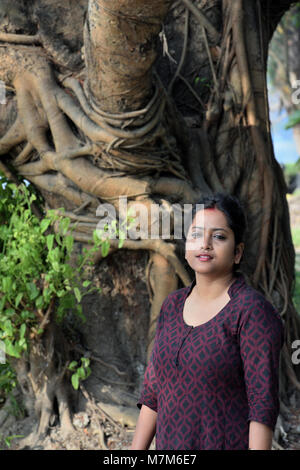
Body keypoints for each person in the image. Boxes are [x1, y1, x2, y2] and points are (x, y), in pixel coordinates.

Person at [130, 192, 285, 450]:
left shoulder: (252, 312)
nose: (205, 243)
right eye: (196, 234)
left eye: (219, 236)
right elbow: (153, 391)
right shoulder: (172, 305)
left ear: (237, 252)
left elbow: (262, 405)